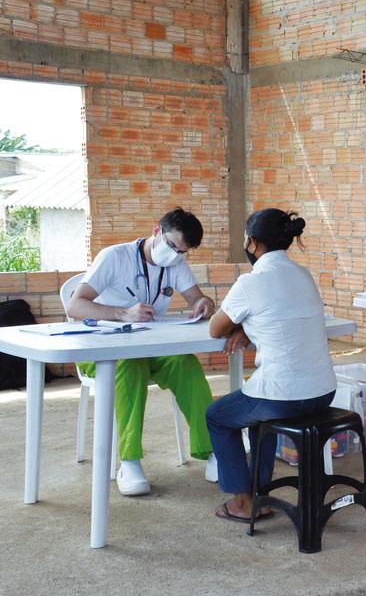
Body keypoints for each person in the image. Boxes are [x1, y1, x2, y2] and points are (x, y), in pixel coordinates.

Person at [67, 208, 218, 495]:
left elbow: (197, 297)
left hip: (148, 347)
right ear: (156, 231)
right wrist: (121, 313)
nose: (175, 255)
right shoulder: (115, 257)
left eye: (183, 252)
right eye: (172, 246)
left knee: (186, 363)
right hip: (100, 349)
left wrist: (203, 303)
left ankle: (212, 451)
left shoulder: (175, 263)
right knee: (130, 366)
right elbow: (75, 306)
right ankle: (130, 461)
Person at [206, 209, 337, 523]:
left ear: (252, 242)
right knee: (257, 416)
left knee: (219, 417)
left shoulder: (251, 282)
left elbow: (215, 328)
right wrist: (246, 327)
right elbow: (279, 318)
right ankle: (259, 494)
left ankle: (241, 501)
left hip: (283, 395)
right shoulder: (303, 275)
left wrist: (239, 326)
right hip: (323, 391)